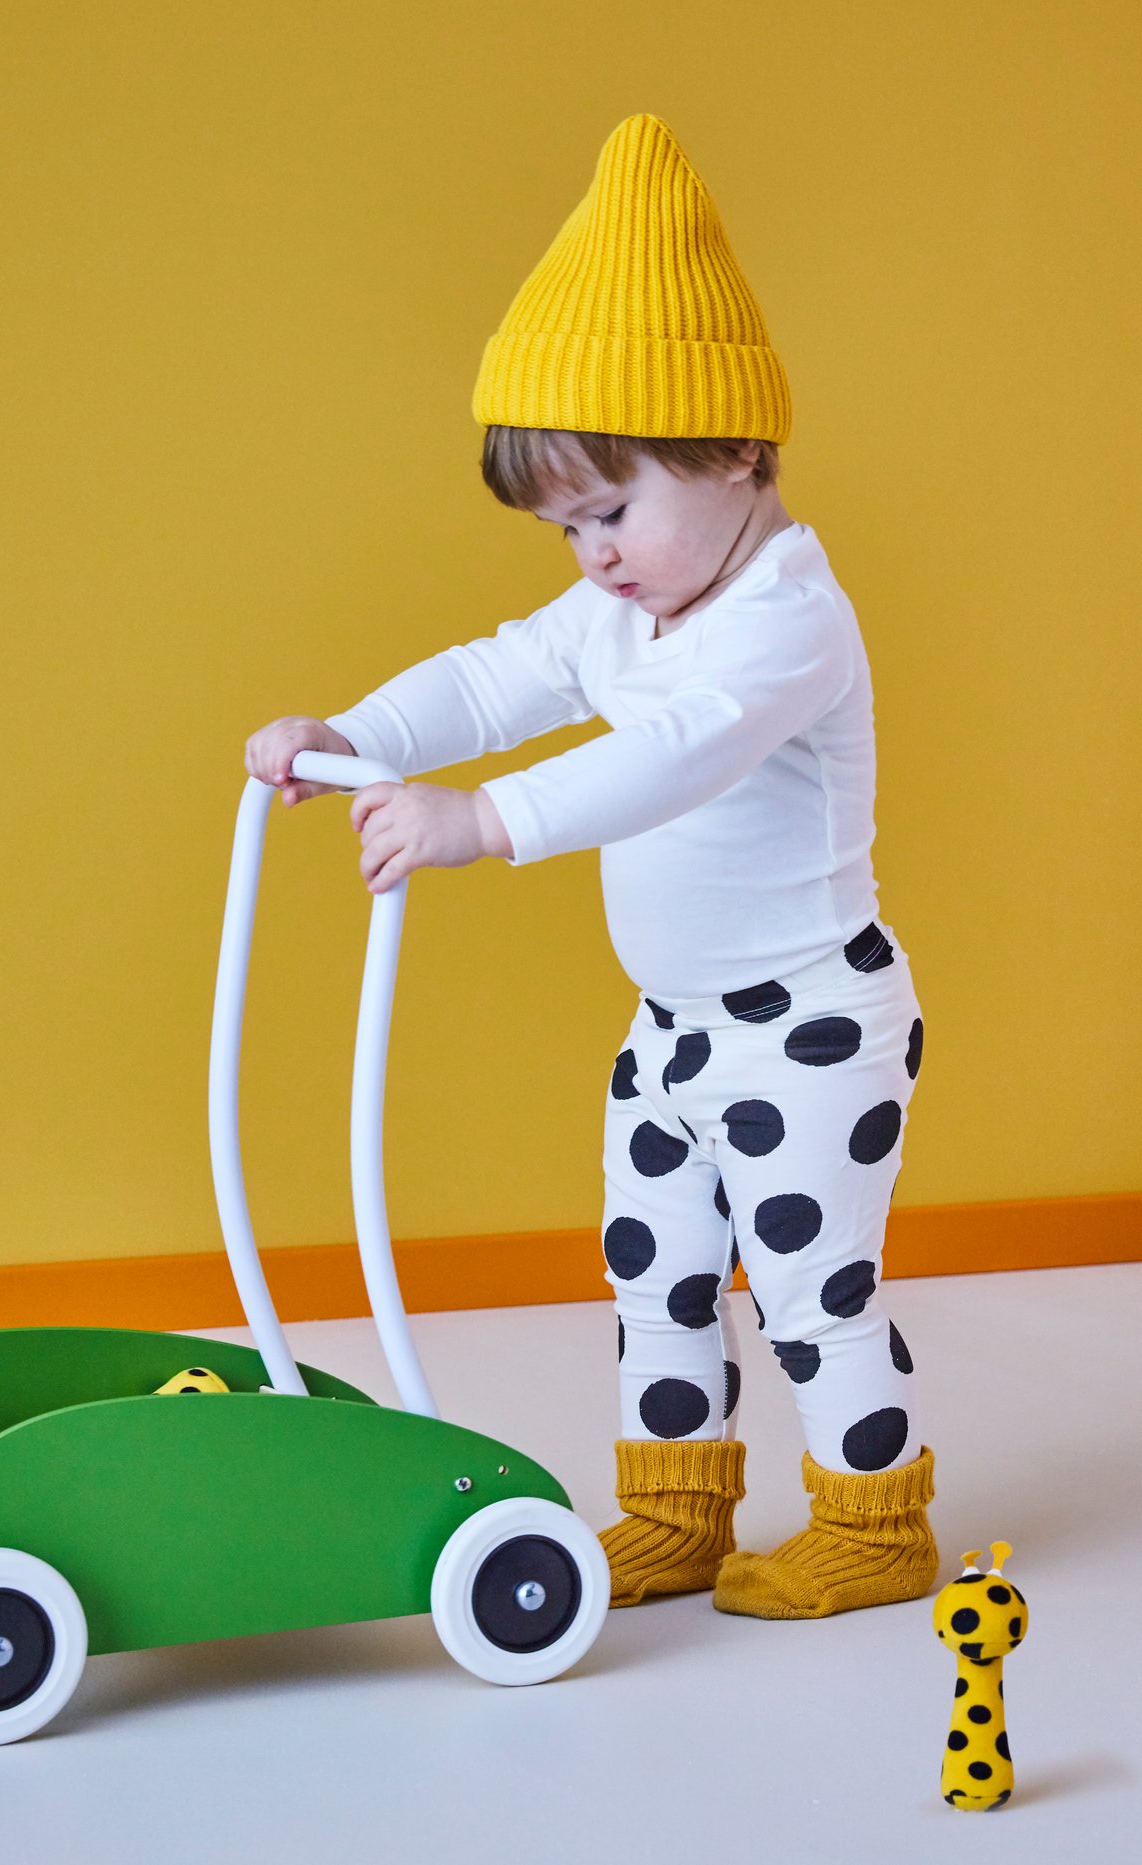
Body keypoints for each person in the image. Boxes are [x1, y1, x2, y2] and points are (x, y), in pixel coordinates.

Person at [245, 113, 938, 1619]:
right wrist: (350, 733)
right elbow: (495, 680)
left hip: (811, 1020)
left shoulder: (784, 620)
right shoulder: (628, 607)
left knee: (812, 1287)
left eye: (612, 508)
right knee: (655, 1270)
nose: (594, 558)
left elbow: (674, 753)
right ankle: (675, 1508)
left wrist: (481, 823)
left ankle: (877, 1521)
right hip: (676, 1027)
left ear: (738, 450)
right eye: (566, 528)